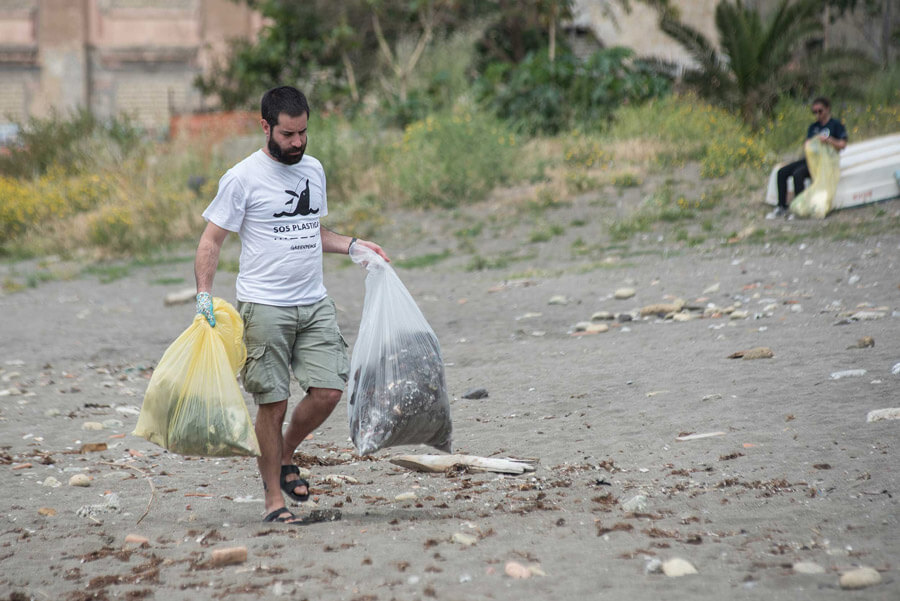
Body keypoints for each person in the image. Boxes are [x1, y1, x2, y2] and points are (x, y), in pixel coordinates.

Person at [193, 85, 389, 524]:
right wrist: (204, 294)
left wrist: (355, 246)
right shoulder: (242, 177)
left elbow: (310, 231)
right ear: (265, 127)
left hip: (313, 302)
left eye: (303, 133)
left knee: (329, 391)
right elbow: (211, 240)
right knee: (273, 403)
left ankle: (283, 455)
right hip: (264, 308)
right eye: (287, 135)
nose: (297, 142)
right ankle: (273, 503)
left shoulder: (313, 170)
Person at [768, 96, 848, 219]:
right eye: (814, 112)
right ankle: (781, 206)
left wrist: (829, 140)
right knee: (782, 172)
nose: (817, 114)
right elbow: (808, 143)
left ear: (827, 109)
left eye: (820, 111)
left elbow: (842, 145)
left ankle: (800, 209)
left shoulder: (836, 125)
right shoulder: (813, 127)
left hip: (824, 163)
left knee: (798, 174)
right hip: (810, 160)